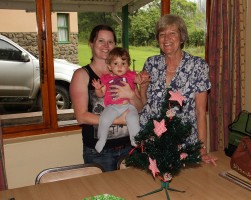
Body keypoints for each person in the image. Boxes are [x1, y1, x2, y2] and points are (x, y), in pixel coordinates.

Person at [139, 14, 218, 166]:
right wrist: (142, 89)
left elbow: (201, 112)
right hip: (153, 143)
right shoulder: (151, 64)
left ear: (182, 37)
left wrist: (202, 150)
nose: (166, 38)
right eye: (162, 34)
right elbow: (146, 106)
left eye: (172, 33)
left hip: (185, 144)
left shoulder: (197, 66)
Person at [69, 25, 143, 172]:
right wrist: (118, 120)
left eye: (110, 42)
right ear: (91, 43)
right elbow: (81, 117)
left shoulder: (126, 73)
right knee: (103, 193)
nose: (106, 46)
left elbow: (140, 107)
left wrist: (132, 95)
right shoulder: (82, 75)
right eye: (101, 41)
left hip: (129, 148)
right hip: (99, 153)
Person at [92, 47, 142, 153]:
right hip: (113, 107)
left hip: (129, 106)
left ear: (127, 65)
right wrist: (97, 89)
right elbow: (101, 94)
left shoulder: (130, 75)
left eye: (123, 63)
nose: (119, 66)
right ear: (109, 66)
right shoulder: (106, 78)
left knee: (133, 119)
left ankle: (135, 140)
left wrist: (142, 78)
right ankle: (102, 139)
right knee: (104, 120)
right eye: (115, 64)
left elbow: (139, 79)